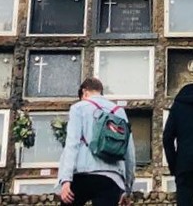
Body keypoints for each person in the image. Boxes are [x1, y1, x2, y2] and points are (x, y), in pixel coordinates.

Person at [57, 77, 135, 206]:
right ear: (100, 92)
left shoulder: (78, 108)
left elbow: (72, 144)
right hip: (111, 178)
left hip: (81, 175)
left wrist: (66, 180)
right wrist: (127, 189)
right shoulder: (118, 111)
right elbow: (129, 152)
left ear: (84, 92)